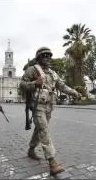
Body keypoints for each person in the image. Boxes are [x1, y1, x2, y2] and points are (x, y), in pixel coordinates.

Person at [20, 47, 82, 175]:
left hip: (49, 106)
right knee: (44, 130)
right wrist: (35, 83)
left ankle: (31, 150)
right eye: (45, 55)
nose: (48, 57)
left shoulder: (53, 73)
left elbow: (62, 86)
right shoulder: (33, 70)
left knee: (39, 130)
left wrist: (74, 92)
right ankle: (52, 162)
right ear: (39, 58)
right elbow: (22, 84)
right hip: (38, 106)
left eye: (49, 55)